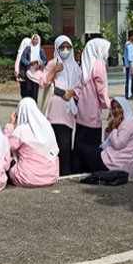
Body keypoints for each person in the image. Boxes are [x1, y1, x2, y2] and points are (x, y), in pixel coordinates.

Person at [43, 35, 82, 176]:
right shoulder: (52, 63)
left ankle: (65, 171)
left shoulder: (76, 67)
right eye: (62, 47)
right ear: (57, 48)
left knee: (65, 143)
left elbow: (80, 86)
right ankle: (52, 172)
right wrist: (54, 70)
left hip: (68, 110)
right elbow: (44, 82)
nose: (65, 50)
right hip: (53, 110)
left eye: (68, 47)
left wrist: (72, 92)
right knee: (53, 143)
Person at [73, 97, 133, 174]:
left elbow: (118, 144)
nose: (116, 110)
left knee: (79, 148)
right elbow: (107, 141)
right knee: (86, 148)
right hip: (113, 157)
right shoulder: (123, 121)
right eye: (113, 108)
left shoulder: (129, 123)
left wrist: (114, 128)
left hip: (116, 163)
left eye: (119, 107)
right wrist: (110, 128)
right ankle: (81, 172)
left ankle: (75, 173)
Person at [3, 97, 59, 188]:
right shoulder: (46, 127)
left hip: (26, 177)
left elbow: (6, 145)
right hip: (50, 176)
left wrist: (10, 125)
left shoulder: (21, 130)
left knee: (11, 159)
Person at [75, 38, 112, 151]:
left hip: (81, 109)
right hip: (93, 110)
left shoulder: (84, 66)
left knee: (80, 140)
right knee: (92, 143)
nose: (107, 53)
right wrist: (108, 104)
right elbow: (101, 90)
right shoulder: (98, 65)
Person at [19, 34, 47, 102]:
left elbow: (45, 60)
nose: (35, 41)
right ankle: (28, 104)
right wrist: (29, 63)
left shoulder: (41, 50)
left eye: (36, 39)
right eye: (33, 39)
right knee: (28, 89)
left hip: (37, 72)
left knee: (35, 90)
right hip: (29, 71)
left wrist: (39, 63)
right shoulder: (28, 49)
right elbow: (23, 59)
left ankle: (34, 105)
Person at [123, 31, 133, 100]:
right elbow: (130, 58)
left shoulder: (131, 45)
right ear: (130, 37)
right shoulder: (129, 45)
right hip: (130, 66)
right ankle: (128, 95)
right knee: (129, 80)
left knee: (132, 80)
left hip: (132, 65)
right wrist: (131, 68)